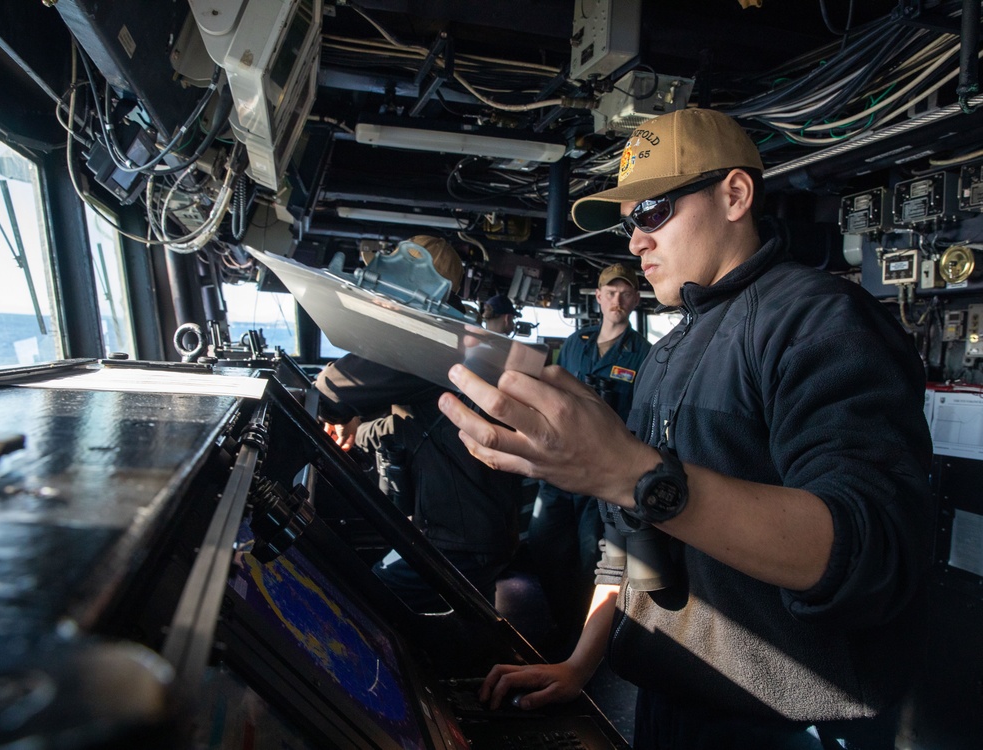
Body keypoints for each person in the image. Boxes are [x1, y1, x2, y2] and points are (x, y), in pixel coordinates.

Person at [437, 108, 933, 749]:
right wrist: (581, 663)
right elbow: (630, 541)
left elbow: (870, 549)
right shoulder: (670, 352)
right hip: (667, 704)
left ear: (734, 195)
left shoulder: (821, 322)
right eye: (629, 224)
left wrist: (632, 475)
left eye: (653, 212)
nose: (636, 241)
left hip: (785, 725)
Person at [315, 235, 521, 614]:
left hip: (463, 538)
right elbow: (406, 420)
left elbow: (330, 391)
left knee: (362, 601)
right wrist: (356, 424)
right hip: (473, 526)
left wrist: (342, 413)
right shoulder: (462, 337)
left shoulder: (436, 341)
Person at [528, 262, 650, 659]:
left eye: (625, 293)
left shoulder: (643, 355)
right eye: (609, 292)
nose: (617, 300)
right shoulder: (575, 342)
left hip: (600, 477)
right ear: (598, 297)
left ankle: (585, 642)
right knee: (544, 548)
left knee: (590, 560)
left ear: (634, 299)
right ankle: (561, 625)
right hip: (557, 469)